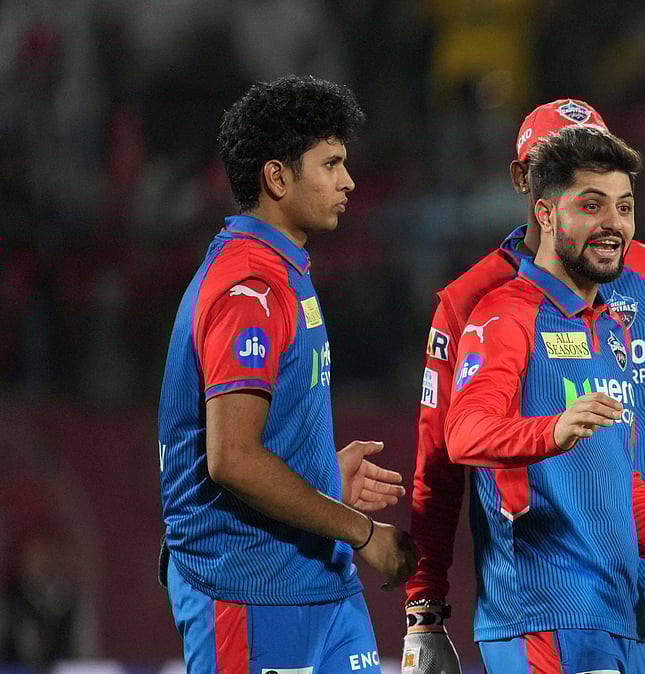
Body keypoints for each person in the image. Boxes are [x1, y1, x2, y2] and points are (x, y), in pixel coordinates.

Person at [404, 100, 645, 674]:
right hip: (545, 592)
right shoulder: (482, 303)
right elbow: (444, 455)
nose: (610, 220)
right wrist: (424, 605)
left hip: (639, 583)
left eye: (621, 203)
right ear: (530, 186)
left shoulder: (643, 289)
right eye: (587, 199)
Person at [157, 75, 417, 673]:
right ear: (278, 178)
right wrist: (363, 532)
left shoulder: (284, 272)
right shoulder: (247, 288)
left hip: (318, 582)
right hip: (249, 589)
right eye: (331, 164)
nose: (348, 181)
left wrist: (320, 474)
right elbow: (233, 458)